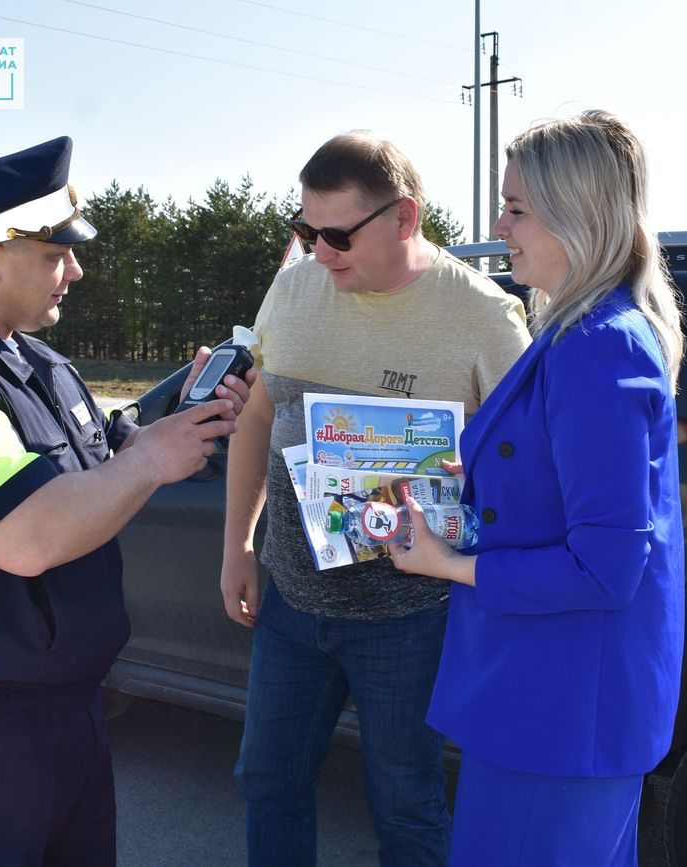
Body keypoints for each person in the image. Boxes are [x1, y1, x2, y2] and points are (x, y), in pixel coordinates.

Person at [0, 136, 254, 866]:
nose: (76, 268)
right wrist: (151, 462)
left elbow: (109, 457)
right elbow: (26, 534)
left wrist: (184, 424)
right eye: (55, 253)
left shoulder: (37, 360)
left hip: (71, 705)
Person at [220, 131, 531, 866]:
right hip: (293, 604)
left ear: (404, 218)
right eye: (304, 230)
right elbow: (259, 416)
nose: (319, 252)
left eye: (335, 234)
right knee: (267, 781)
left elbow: (524, 469)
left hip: (409, 618)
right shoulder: (294, 289)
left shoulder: (484, 316)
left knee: (407, 803)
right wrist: (238, 543)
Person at [388, 110, 686, 865]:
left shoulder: (597, 342)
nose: (499, 224)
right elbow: (561, 484)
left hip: (558, 716)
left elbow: (604, 567)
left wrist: (445, 562)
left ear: (577, 214)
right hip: (552, 704)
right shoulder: (578, 327)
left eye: (516, 207)